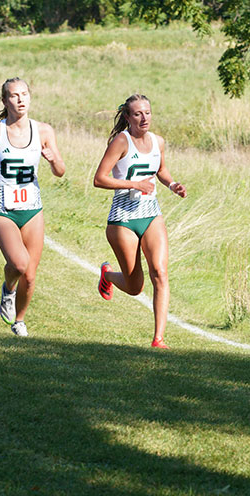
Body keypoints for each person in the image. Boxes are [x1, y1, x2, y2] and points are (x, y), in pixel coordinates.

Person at [0, 78, 65, 336]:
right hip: (3, 207)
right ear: (5, 101)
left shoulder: (43, 131)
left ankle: (19, 320)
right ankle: (8, 289)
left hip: (32, 208)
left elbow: (61, 171)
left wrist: (53, 161)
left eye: (25, 94)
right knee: (18, 264)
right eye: (14, 95)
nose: (21, 99)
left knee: (30, 275)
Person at [93, 94, 187, 349]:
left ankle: (159, 339)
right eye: (137, 114)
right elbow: (99, 178)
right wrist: (133, 183)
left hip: (151, 215)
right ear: (127, 117)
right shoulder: (121, 142)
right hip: (122, 220)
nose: (144, 118)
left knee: (160, 272)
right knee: (135, 287)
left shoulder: (158, 142)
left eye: (147, 112)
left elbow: (161, 170)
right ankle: (109, 275)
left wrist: (172, 184)